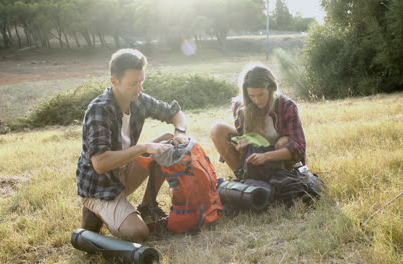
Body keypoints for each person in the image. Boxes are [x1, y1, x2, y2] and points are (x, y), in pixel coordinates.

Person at [76, 48, 189, 242]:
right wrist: (143, 148)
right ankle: (94, 209)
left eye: (141, 82)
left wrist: (180, 133)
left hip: (124, 171)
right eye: (133, 84)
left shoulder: (138, 100)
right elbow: (100, 164)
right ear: (114, 81)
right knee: (138, 233)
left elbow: (175, 113)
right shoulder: (99, 110)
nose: (140, 89)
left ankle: (147, 207)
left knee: (167, 141)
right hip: (100, 186)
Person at [210, 63, 306, 175]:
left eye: (261, 95)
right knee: (217, 129)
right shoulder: (239, 106)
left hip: (277, 154)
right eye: (252, 96)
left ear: (271, 89)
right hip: (254, 153)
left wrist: (266, 156)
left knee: (283, 142)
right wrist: (241, 146)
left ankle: (282, 176)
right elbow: (244, 137)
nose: (256, 100)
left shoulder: (286, 105)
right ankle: (243, 176)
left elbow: (299, 146)